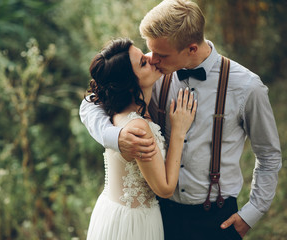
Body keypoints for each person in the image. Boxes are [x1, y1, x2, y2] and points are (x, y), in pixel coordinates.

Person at [80, 0, 282, 239]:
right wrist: (116, 136)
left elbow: (269, 155)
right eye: (150, 50)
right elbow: (91, 102)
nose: (153, 59)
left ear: (191, 49)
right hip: (160, 217)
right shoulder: (150, 76)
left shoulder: (247, 88)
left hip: (216, 220)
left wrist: (253, 211)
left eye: (161, 54)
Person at [84, 38, 196, 240]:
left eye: (143, 54)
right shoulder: (137, 128)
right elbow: (164, 188)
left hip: (113, 212)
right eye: (143, 63)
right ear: (129, 84)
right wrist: (179, 131)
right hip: (134, 224)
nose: (152, 59)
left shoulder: (117, 112)